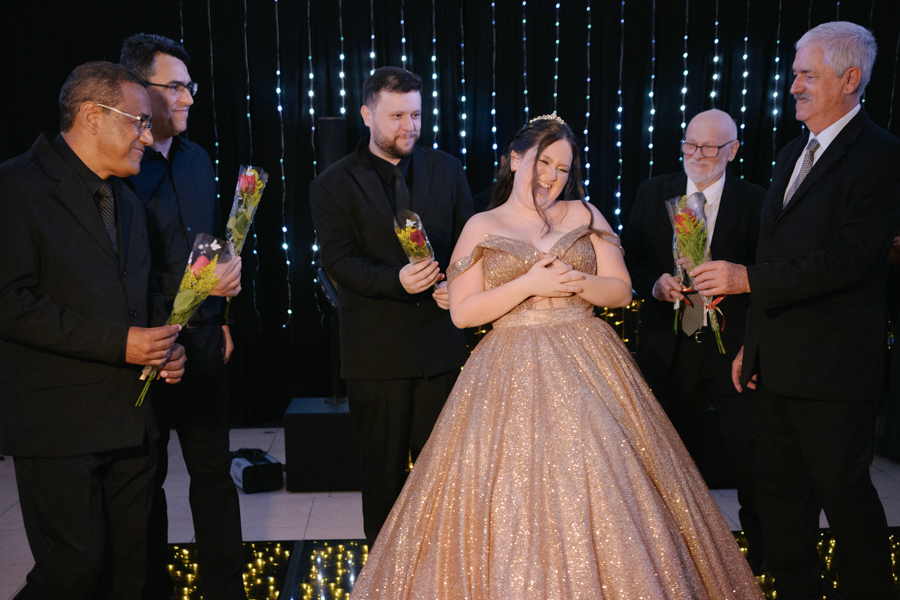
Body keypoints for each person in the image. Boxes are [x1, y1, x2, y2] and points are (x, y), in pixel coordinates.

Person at [349, 114, 763, 599]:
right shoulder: (483, 224)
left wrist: (574, 283)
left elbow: (621, 289)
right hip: (507, 367)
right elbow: (463, 311)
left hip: (588, 359)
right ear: (515, 159)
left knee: (607, 486)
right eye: (543, 162)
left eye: (563, 169)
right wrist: (529, 284)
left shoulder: (584, 214)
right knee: (510, 492)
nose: (551, 176)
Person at [691, 21, 900, 599]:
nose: (793, 85)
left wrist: (744, 279)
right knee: (781, 503)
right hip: (776, 367)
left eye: (807, 74)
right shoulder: (789, 153)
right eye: (794, 74)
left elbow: (847, 261)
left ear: (850, 78)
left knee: (845, 497)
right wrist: (750, 347)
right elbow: (774, 253)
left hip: (835, 373)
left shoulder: (882, 157)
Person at [0, 61, 186, 599]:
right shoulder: (14, 187)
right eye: (139, 123)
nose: (149, 140)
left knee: (133, 576)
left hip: (132, 424)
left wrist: (163, 346)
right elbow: (9, 302)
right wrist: (120, 344)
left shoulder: (126, 200)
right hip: (59, 427)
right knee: (72, 575)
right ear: (91, 116)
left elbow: (140, 297)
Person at [309, 66, 474, 546]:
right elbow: (338, 261)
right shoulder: (332, 184)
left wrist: (458, 284)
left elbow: (470, 244)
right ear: (367, 115)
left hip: (440, 352)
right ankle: (385, 580)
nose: (410, 126)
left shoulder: (447, 169)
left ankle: (443, 577)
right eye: (397, 114)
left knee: (444, 479)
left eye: (417, 114)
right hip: (374, 356)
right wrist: (397, 280)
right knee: (382, 480)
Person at [120, 34, 247, 600]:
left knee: (214, 476)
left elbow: (209, 248)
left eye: (189, 86)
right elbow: (123, 273)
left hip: (200, 341)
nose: (189, 98)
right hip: (147, 349)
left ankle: (225, 589)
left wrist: (218, 315)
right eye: (175, 86)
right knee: (145, 484)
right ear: (139, 92)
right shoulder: (122, 169)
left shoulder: (198, 161)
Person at [622, 109, 766, 573]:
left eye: (709, 148)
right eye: (690, 144)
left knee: (749, 460)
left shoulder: (758, 201)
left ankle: (761, 559)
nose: (697, 156)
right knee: (668, 462)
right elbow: (632, 258)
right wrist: (655, 283)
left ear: (733, 151)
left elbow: (768, 277)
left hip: (733, 352)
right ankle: (673, 561)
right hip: (670, 347)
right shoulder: (652, 192)